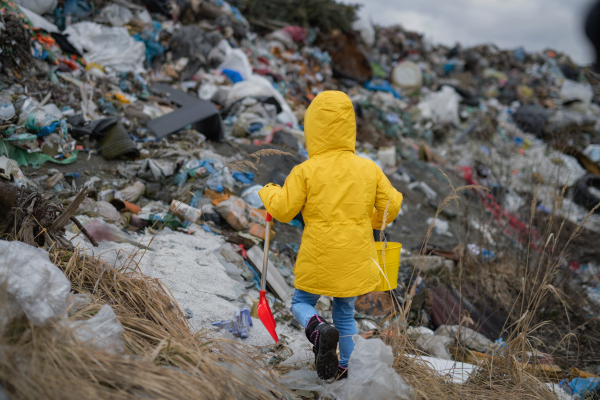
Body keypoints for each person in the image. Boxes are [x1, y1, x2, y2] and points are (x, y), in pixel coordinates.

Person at [259, 91, 403, 380]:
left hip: (319, 255)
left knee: (300, 302)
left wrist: (269, 191)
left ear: (312, 130)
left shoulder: (306, 171)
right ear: (349, 128)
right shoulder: (369, 168)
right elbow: (393, 203)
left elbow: (284, 210)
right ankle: (346, 365)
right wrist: (374, 222)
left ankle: (316, 328)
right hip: (355, 258)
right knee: (345, 313)